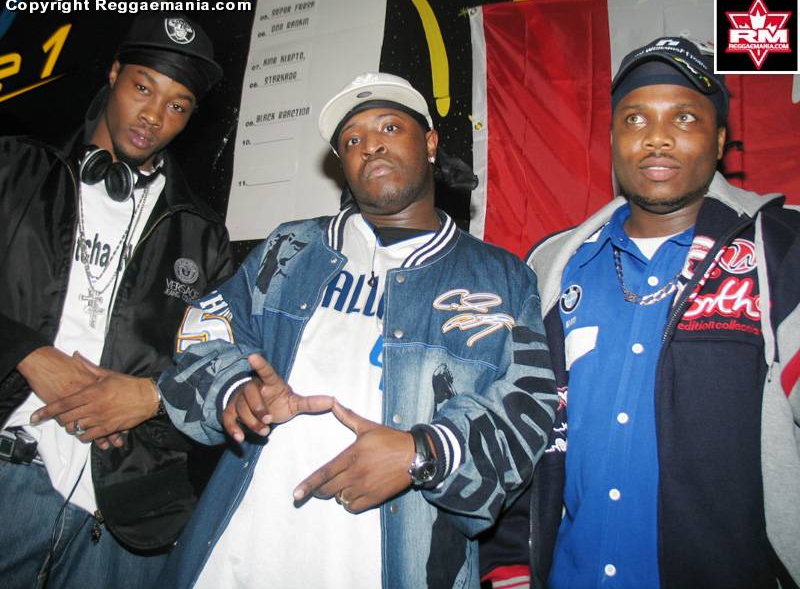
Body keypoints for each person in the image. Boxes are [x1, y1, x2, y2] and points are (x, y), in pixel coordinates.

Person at [155, 71, 557, 588]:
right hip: (237, 558)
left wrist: (424, 452)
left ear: (430, 143)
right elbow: (205, 326)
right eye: (352, 140)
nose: (370, 146)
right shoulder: (291, 248)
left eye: (390, 127)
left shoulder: (501, 278)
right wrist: (234, 389)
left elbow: (529, 408)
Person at [525, 37, 800, 588]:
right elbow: (526, 428)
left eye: (684, 117)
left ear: (719, 140)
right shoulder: (552, 265)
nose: (656, 137)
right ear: (612, 138)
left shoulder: (782, 248)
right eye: (634, 119)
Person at [0, 13, 234, 588]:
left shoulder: (202, 235)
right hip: (11, 475)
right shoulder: (14, 168)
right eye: (143, 88)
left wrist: (151, 399)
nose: (154, 115)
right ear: (113, 74)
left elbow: (222, 371)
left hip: (127, 515)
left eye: (178, 105)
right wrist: (27, 353)